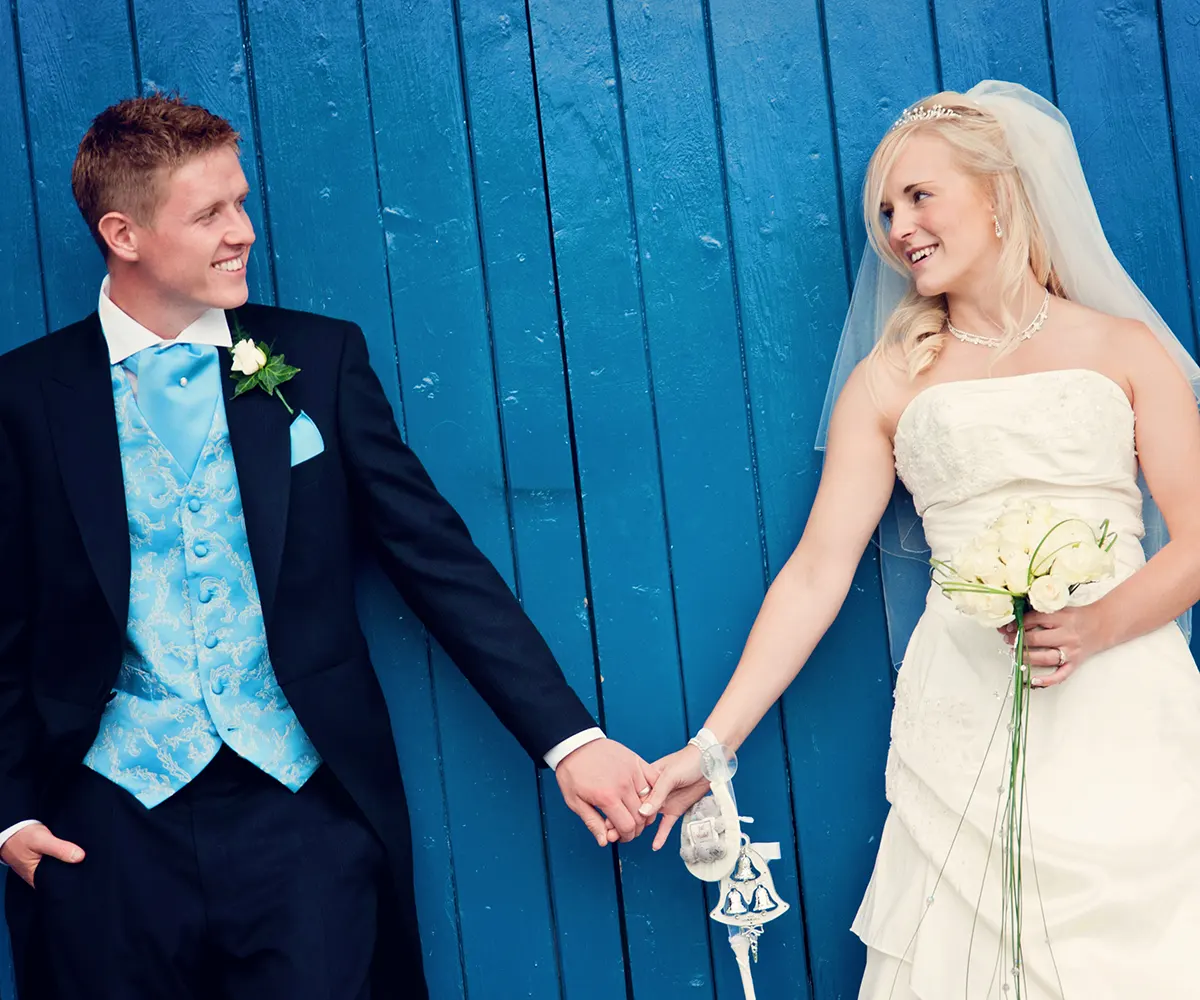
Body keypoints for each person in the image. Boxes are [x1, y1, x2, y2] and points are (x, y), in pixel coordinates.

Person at [0, 93, 657, 1000]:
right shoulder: (22, 397)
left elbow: (437, 560)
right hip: (103, 832)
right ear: (124, 233)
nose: (243, 231)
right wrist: (9, 817)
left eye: (240, 201)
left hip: (303, 819)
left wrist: (569, 741)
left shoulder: (318, 359)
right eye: (210, 213)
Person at [640, 81, 1200, 998]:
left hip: (1126, 699)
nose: (900, 229)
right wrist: (712, 746)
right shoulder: (888, 380)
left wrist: (1098, 625)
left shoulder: (1125, 349)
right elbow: (817, 573)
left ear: (999, 193)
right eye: (886, 213)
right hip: (965, 708)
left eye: (919, 197)